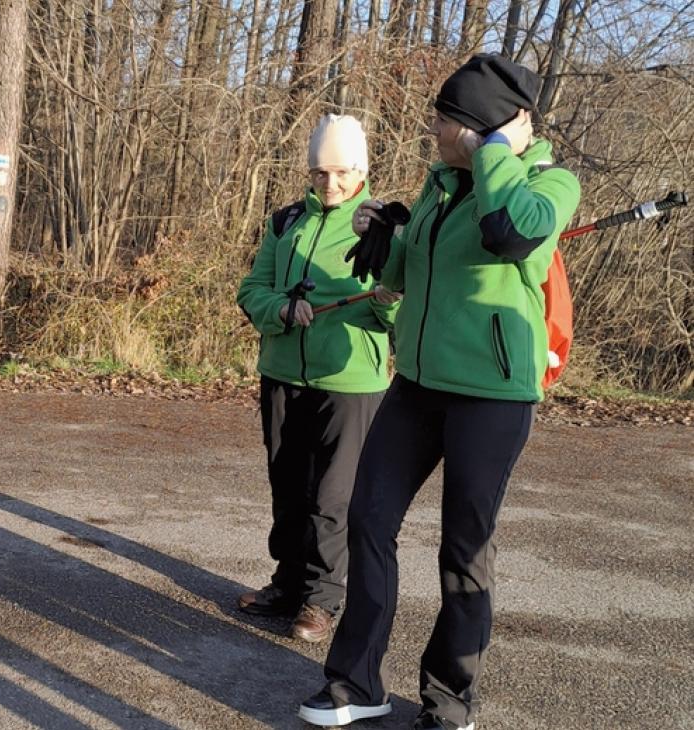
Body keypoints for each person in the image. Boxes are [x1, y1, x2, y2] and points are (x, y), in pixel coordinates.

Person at [297, 55, 580, 730]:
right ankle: (356, 683)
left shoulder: (551, 184)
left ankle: (450, 700)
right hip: (417, 387)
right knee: (368, 519)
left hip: (491, 398)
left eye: (445, 118)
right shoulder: (442, 183)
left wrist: (497, 154)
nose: (432, 128)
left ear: (481, 128)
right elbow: (414, 276)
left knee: (462, 551)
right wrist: (388, 235)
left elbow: (508, 235)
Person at [236, 115, 398, 643]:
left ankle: (322, 600)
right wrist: (281, 309)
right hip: (283, 372)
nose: (330, 185)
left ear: (362, 170)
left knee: (333, 497)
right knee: (288, 486)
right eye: (319, 173)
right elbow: (252, 289)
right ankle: (287, 582)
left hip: (350, 383)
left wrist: (390, 298)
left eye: (341, 173)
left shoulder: (385, 226)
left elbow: (401, 312)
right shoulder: (285, 222)